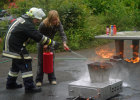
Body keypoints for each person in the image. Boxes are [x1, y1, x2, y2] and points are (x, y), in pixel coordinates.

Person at [2, 7, 59, 93]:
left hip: (11, 45)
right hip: (15, 46)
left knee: (16, 64)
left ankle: (11, 83)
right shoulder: (27, 24)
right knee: (26, 62)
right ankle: (29, 87)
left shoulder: (23, 20)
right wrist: (53, 43)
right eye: (37, 19)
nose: (37, 21)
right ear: (33, 17)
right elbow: (38, 37)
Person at [35, 10, 69, 87]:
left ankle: (52, 79)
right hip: (42, 44)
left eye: (56, 19)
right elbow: (37, 36)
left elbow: (62, 34)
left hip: (51, 44)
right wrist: (44, 44)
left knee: (51, 61)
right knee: (41, 62)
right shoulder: (43, 24)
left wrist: (64, 43)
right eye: (53, 20)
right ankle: (39, 80)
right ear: (49, 19)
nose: (55, 21)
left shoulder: (58, 23)